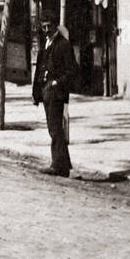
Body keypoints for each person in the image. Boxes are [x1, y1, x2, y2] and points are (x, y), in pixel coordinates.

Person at [33, 14, 79, 177]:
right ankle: (63, 164)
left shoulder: (64, 44)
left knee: (55, 129)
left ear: (56, 26)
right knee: (54, 128)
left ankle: (58, 165)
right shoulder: (46, 42)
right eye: (43, 27)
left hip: (56, 91)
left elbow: (72, 70)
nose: (46, 30)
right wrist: (37, 91)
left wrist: (57, 83)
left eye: (49, 26)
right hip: (47, 90)